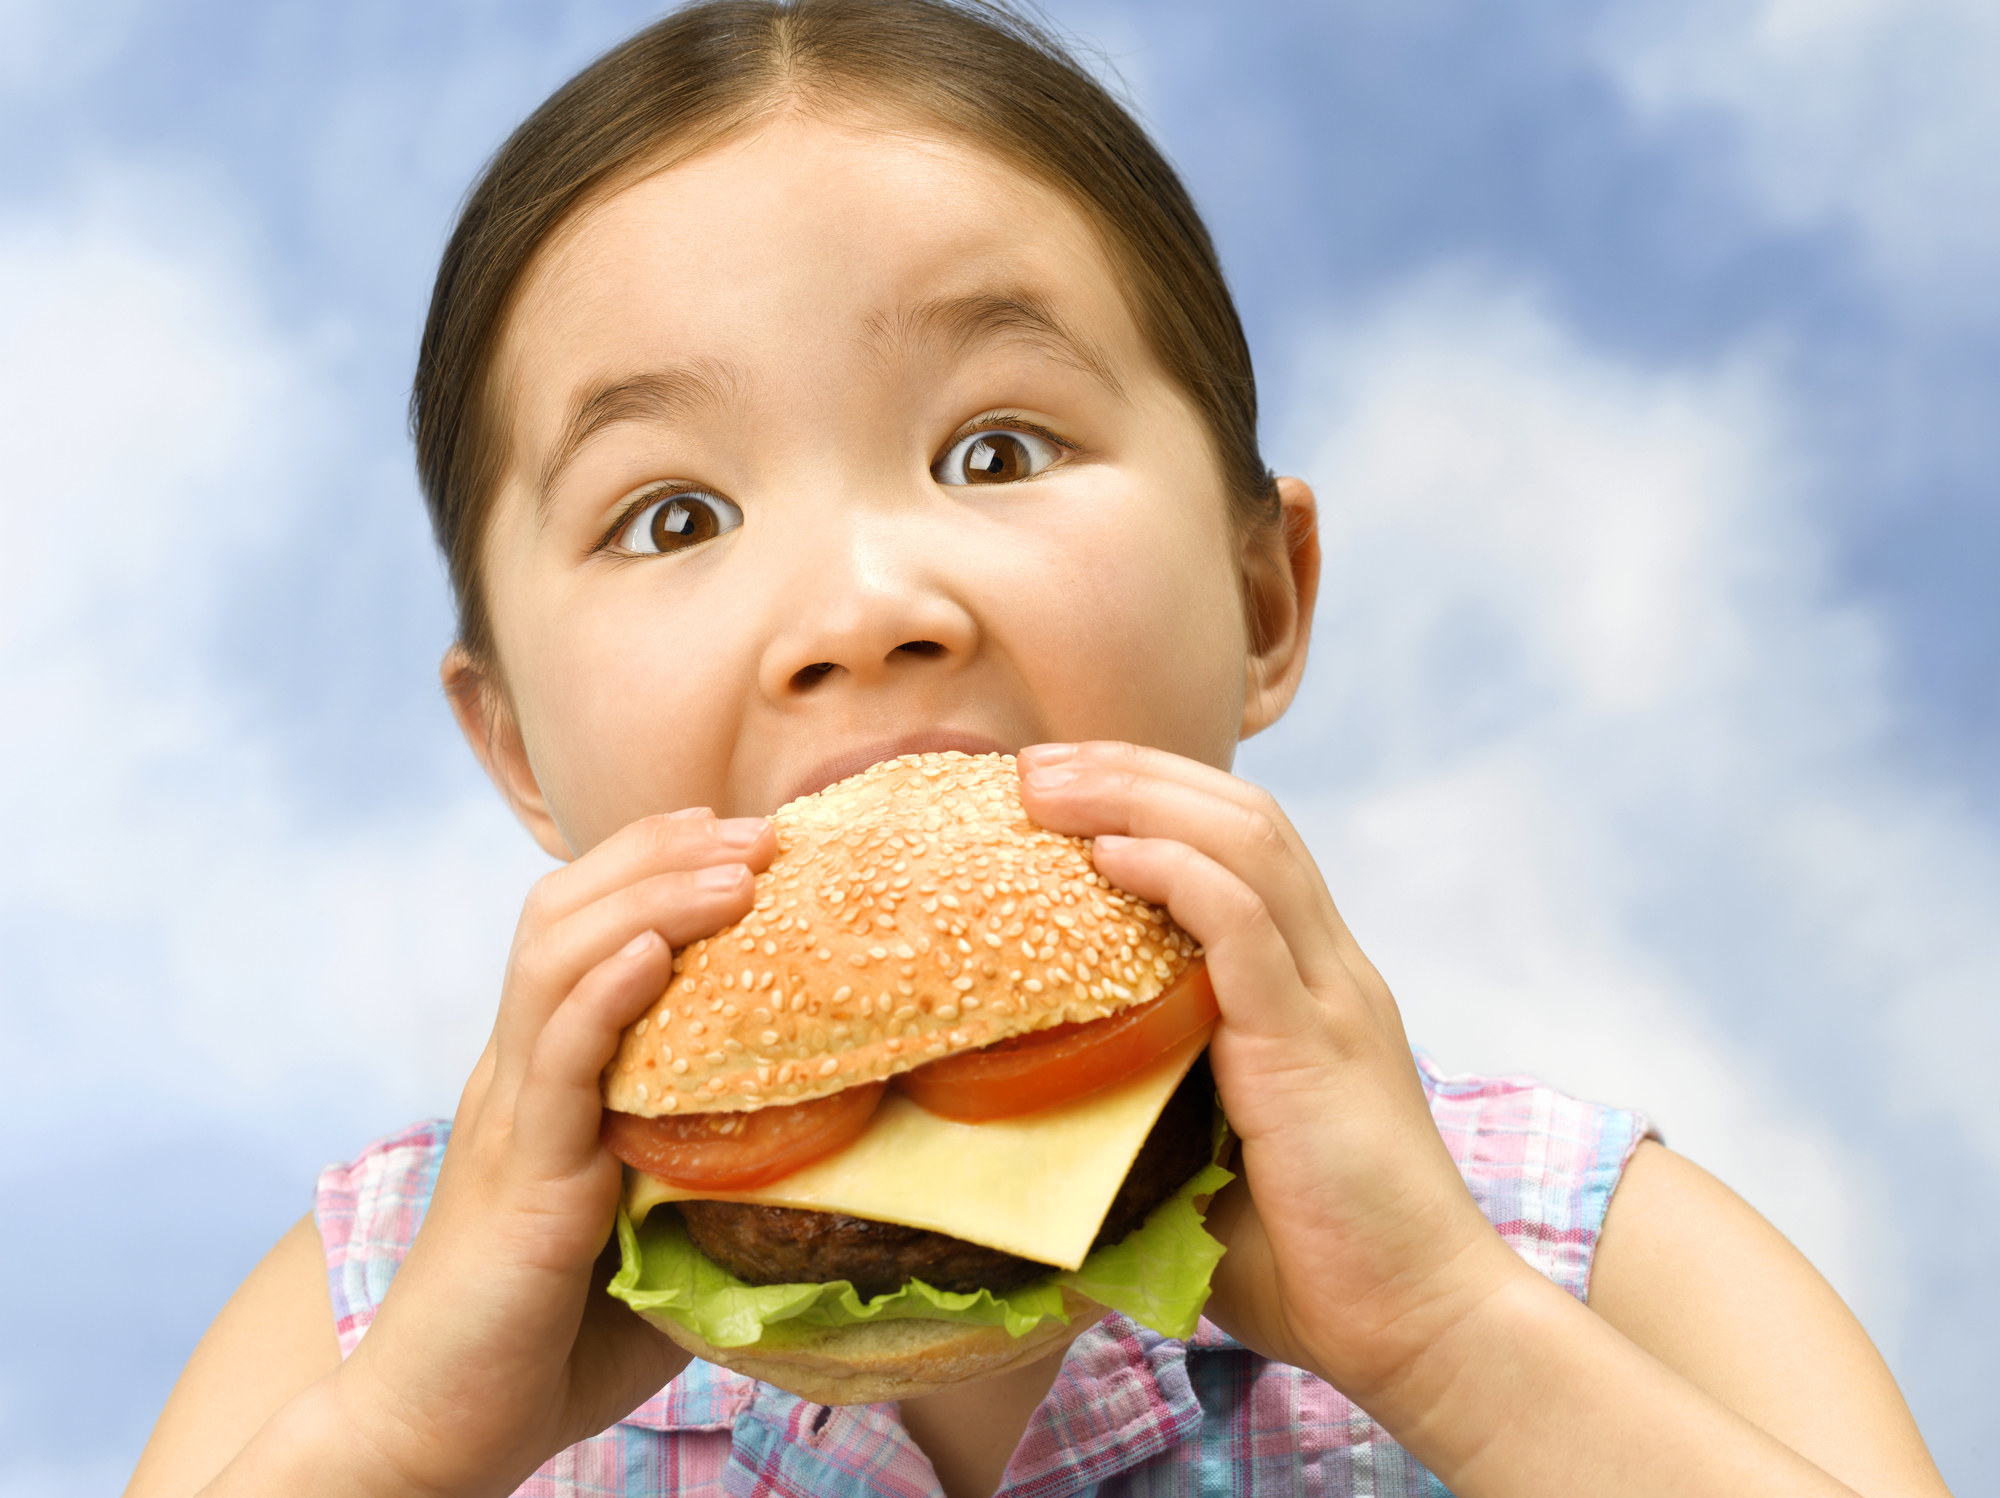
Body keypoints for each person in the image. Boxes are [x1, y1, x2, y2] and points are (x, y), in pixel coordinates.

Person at [125, 3, 1950, 1495]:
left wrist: (1459, 1348)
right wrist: (408, 1449)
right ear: (515, 747)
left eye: (996, 449)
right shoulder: (373, 1317)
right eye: (672, 515)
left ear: (1265, 598)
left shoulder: (1572, 1247)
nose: (861, 603)